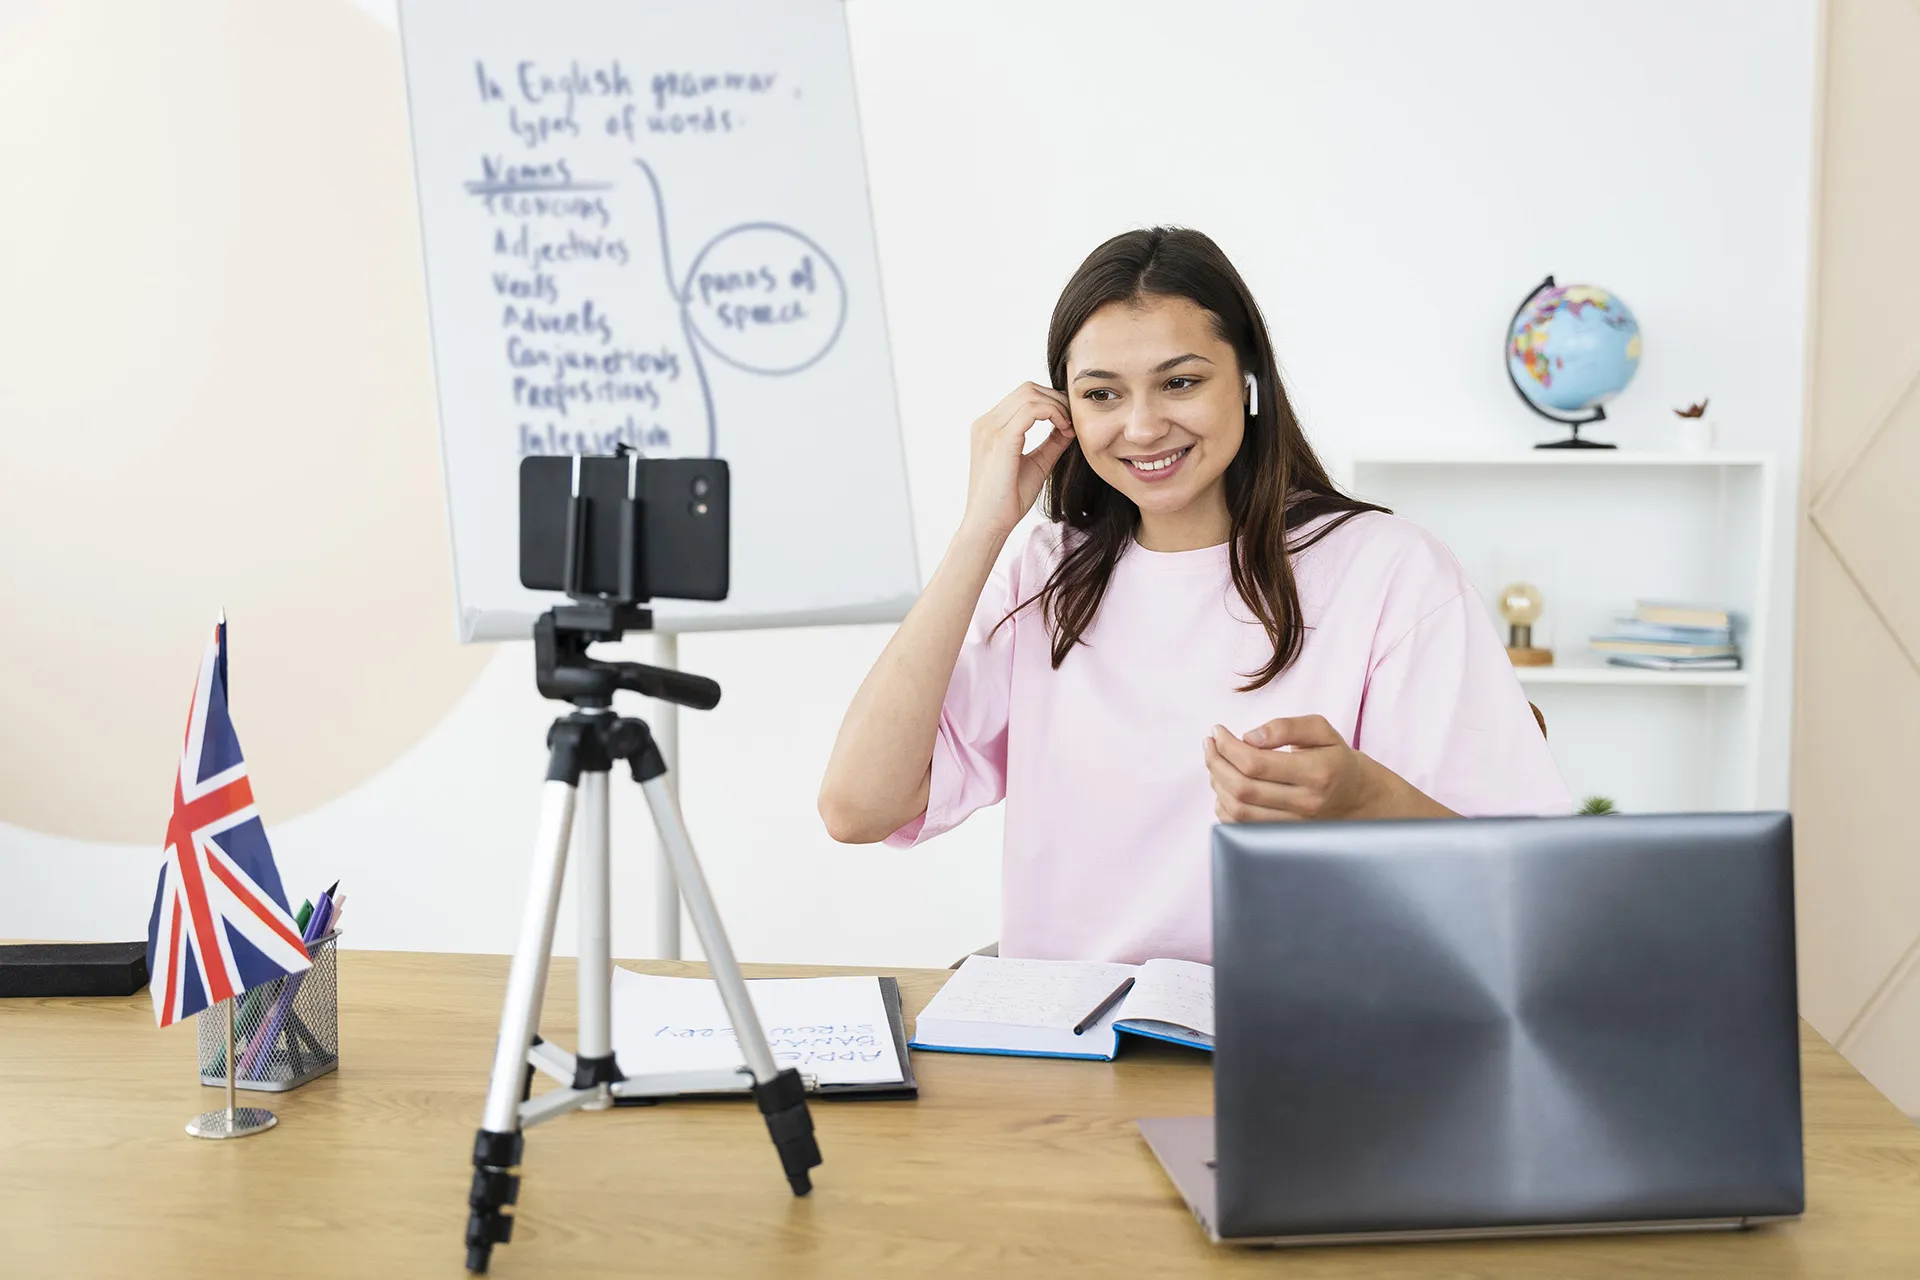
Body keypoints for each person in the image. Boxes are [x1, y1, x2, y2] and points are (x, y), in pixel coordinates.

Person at [818, 227, 1570, 965]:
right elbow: (858, 807)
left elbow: (1530, 887)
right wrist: (981, 531)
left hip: (1299, 1038)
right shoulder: (1046, 575)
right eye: (1102, 395)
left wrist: (1364, 799)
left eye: (1180, 382)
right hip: (1065, 1048)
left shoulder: (1390, 570)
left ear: (1248, 383)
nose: (1142, 427)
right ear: (1067, 414)